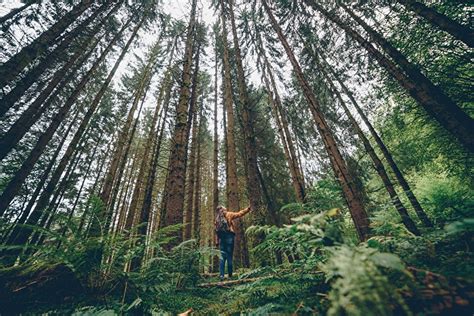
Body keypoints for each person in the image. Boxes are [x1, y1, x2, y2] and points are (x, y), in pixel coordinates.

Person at [215, 205, 251, 280]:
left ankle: (221, 275)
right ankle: (230, 275)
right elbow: (239, 214)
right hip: (229, 237)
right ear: (223, 209)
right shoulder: (228, 214)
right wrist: (248, 209)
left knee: (222, 257)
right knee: (229, 256)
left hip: (222, 239)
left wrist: (217, 241)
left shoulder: (217, 219)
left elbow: (217, 232)